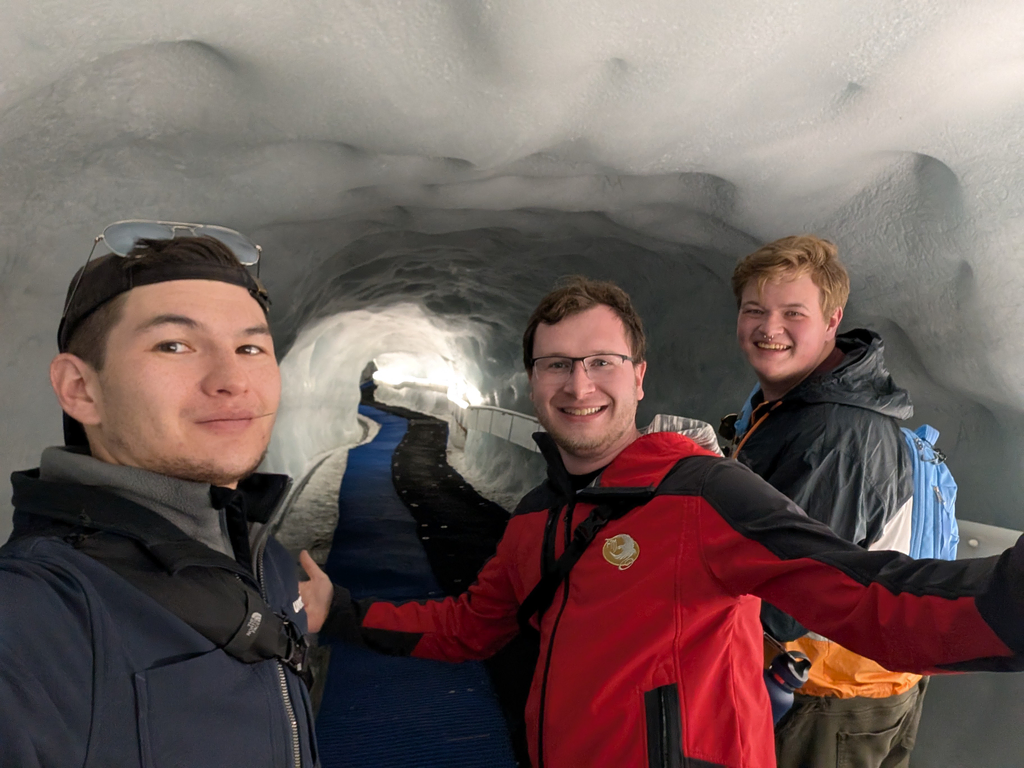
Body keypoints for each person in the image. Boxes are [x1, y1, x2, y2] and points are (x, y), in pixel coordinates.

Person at [299, 275, 1024, 768]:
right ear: (531, 381)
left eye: (602, 362)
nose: (578, 385)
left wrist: (1011, 602)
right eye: (556, 365)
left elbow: (863, 594)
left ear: (639, 377)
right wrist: (343, 613)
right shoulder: (535, 522)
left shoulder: (704, 495)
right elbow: (470, 626)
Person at [0, 225, 318, 768]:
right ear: (80, 388)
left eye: (250, 347)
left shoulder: (265, 558)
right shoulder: (35, 614)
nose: (232, 379)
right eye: (174, 345)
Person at [727, 235, 926, 768]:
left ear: (832, 319)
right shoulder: (805, 403)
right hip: (852, 685)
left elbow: (788, 606)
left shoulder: (836, 435)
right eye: (754, 310)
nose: (770, 329)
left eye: (793, 313)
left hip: (827, 695)